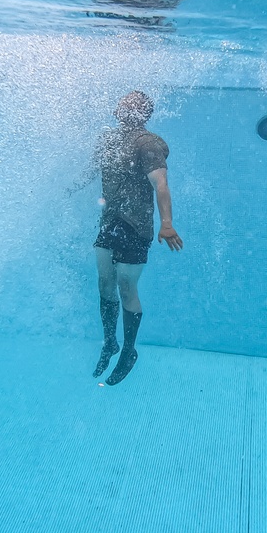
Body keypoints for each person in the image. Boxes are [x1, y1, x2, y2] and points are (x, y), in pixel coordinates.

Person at [77, 91, 183, 385]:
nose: (125, 106)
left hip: (135, 226)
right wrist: (69, 187)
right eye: (123, 102)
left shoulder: (147, 144)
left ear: (144, 114)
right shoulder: (109, 140)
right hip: (109, 222)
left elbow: (160, 184)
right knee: (104, 283)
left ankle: (129, 350)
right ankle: (109, 342)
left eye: (132, 104)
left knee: (126, 288)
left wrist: (167, 224)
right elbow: (90, 171)